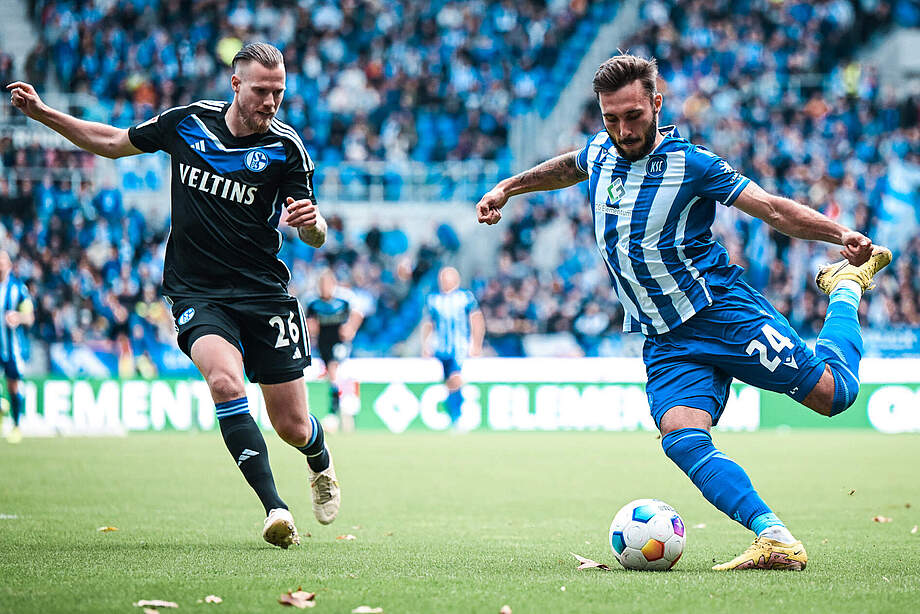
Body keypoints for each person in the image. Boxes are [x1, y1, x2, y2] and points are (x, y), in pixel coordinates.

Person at [475, 53, 892, 570]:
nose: (623, 130)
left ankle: (845, 286)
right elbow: (567, 166)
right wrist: (507, 188)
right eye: (611, 118)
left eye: (633, 116)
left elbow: (771, 208)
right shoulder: (601, 152)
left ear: (656, 103)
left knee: (835, 396)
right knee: (682, 437)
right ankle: (775, 537)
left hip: (723, 313)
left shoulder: (692, 164)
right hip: (665, 338)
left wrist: (839, 234)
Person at [7, 42, 340, 548]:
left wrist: (312, 225)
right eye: (261, 91)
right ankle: (275, 508)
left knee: (292, 426)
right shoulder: (187, 122)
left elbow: (313, 233)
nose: (271, 102)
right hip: (196, 290)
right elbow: (113, 142)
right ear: (236, 84)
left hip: (264, 294)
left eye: (279, 92)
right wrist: (44, 113)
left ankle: (319, 458)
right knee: (225, 382)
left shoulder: (286, 148)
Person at [421, 267, 485, 429]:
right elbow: (429, 323)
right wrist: (425, 344)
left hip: (459, 347)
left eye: (447, 278)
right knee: (448, 382)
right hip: (441, 348)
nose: (444, 282)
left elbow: (476, 319)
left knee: (455, 378)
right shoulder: (433, 299)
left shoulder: (465, 298)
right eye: (442, 278)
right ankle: (453, 415)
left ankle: (457, 416)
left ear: (456, 280)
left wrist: (476, 343)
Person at [306, 270, 363, 431]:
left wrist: (351, 327)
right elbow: (308, 320)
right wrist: (312, 328)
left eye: (327, 285)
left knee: (334, 369)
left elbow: (358, 313)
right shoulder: (312, 301)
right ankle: (344, 410)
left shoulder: (344, 298)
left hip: (340, 342)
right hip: (323, 343)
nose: (325, 288)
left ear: (333, 284)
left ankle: (333, 413)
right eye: (322, 285)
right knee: (334, 377)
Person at [0, 250, 34, 444]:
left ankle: (16, 426)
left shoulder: (18, 288)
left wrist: (18, 317)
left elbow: (30, 317)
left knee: (13, 385)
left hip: (11, 348)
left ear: (9, 265)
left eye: (3, 262)